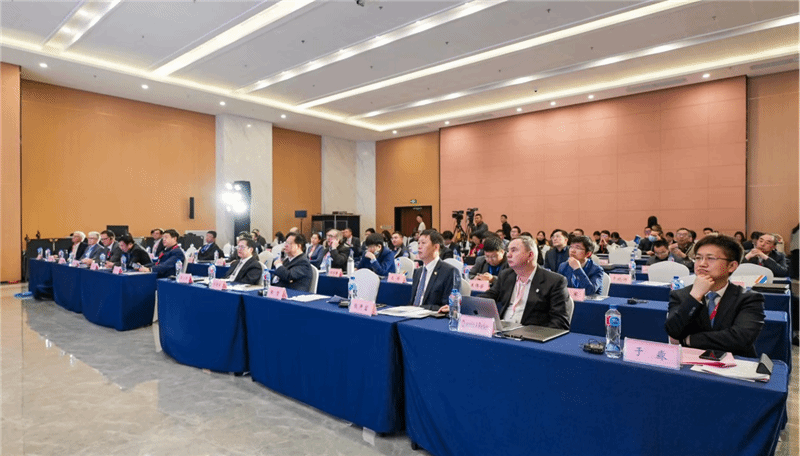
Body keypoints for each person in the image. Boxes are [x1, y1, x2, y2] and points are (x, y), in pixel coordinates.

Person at [665, 235, 765, 357]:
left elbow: (740, 339)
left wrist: (688, 340)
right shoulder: (681, 294)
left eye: (711, 258)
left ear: (732, 266)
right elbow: (673, 332)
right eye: (698, 258)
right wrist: (694, 297)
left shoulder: (749, 298)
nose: (702, 264)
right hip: (693, 360)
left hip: (737, 362)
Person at [481, 236, 570, 329]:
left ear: (530, 255)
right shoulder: (506, 275)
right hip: (502, 329)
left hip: (531, 333)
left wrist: (536, 336)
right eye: (508, 251)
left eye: (514, 250)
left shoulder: (554, 281)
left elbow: (560, 322)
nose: (508, 255)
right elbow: (488, 297)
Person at [408, 230, 459, 312]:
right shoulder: (417, 272)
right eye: (418, 243)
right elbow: (412, 301)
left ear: (436, 247)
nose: (419, 247)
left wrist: (420, 308)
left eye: (423, 243)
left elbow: (447, 306)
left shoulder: (449, 271)